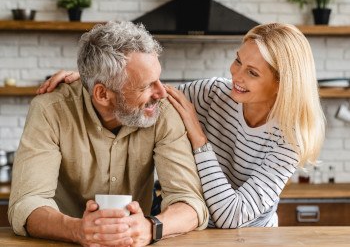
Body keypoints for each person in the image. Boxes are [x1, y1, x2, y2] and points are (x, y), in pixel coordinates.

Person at [37, 23, 325, 228]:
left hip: (249, 236)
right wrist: (94, 77)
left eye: (251, 72)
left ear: (282, 85)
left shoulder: (291, 139)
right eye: (238, 61)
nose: (235, 75)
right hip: (190, 228)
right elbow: (142, 92)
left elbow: (232, 216)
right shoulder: (214, 93)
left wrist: (199, 139)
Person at [8, 21, 208, 247]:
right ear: (102, 94)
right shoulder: (50, 110)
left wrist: (152, 228)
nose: (161, 92)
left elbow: (190, 203)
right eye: (145, 86)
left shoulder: (162, 111)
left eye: (158, 79)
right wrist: (77, 230)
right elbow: (26, 204)